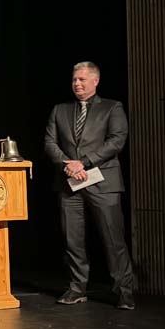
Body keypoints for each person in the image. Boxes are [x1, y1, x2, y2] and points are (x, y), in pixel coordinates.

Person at [43, 62, 137, 310]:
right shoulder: (60, 110)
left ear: (96, 81)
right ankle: (77, 288)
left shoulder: (112, 107)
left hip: (102, 182)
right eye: (74, 79)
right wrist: (67, 164)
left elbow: (117, 140)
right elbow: (50, 142)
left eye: (82, 79)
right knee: (72, 239)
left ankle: (124, 291)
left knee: (113, 239)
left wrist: (83, 163)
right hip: (68, 183)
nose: (77, 84)